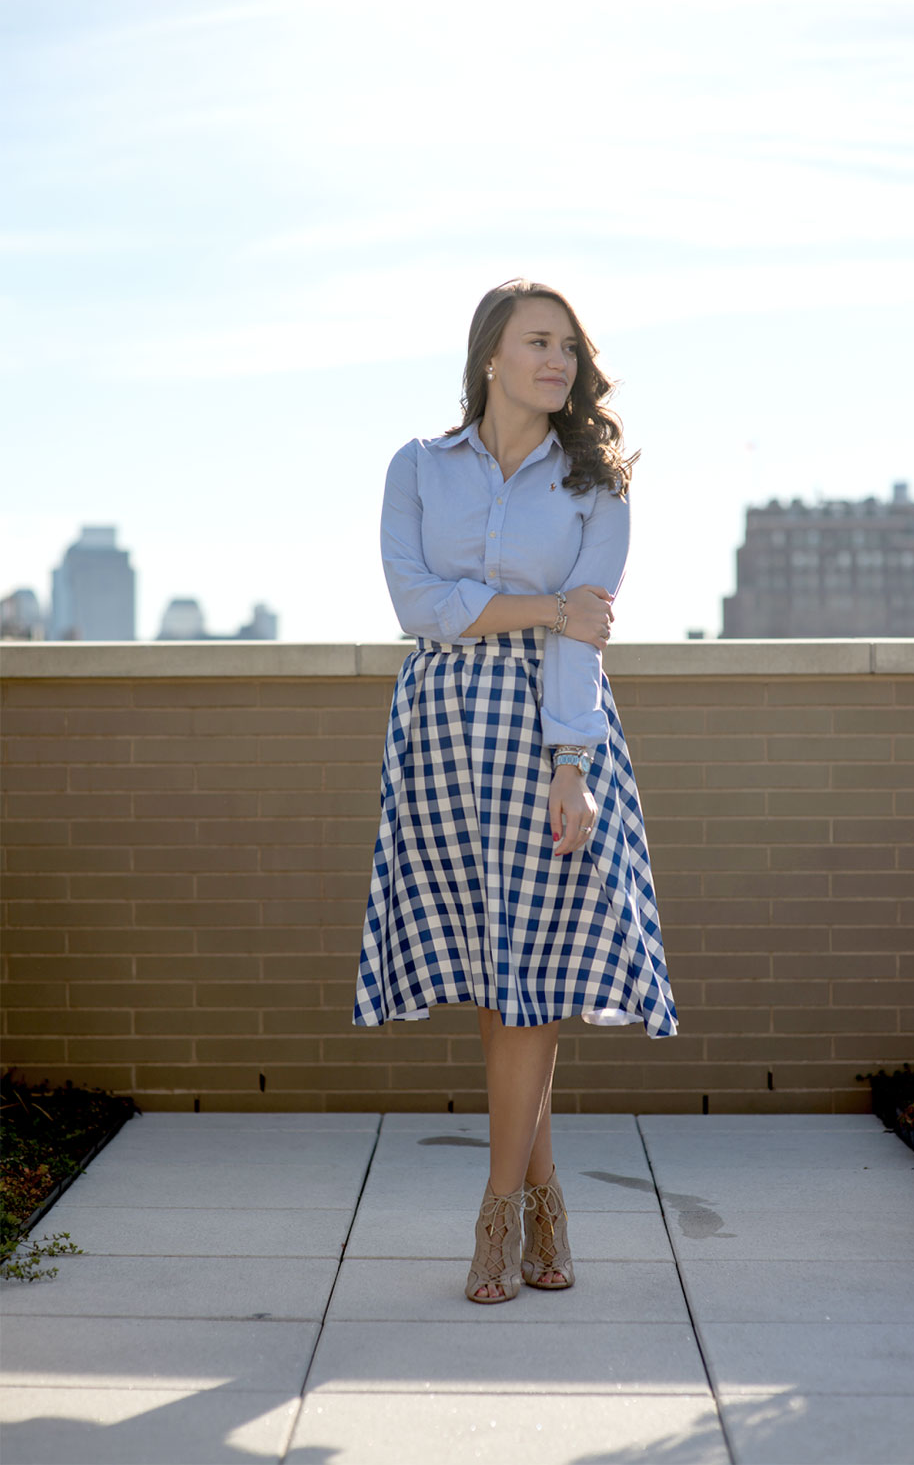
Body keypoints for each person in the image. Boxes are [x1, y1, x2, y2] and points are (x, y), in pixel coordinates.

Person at [354, 277, 677, 1304]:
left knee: (528, 976)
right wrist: (542, 605)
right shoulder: (416, 467)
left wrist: (570, 766)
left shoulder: (598, 485)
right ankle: (547, 1202)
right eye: (538, 342)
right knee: (497, 979)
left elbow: (579, 649)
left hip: (547, 734)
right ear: (488, 355)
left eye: (569, 349)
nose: (558, 361)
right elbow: (415, 602)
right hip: (442, 734)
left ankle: (496, 1218)